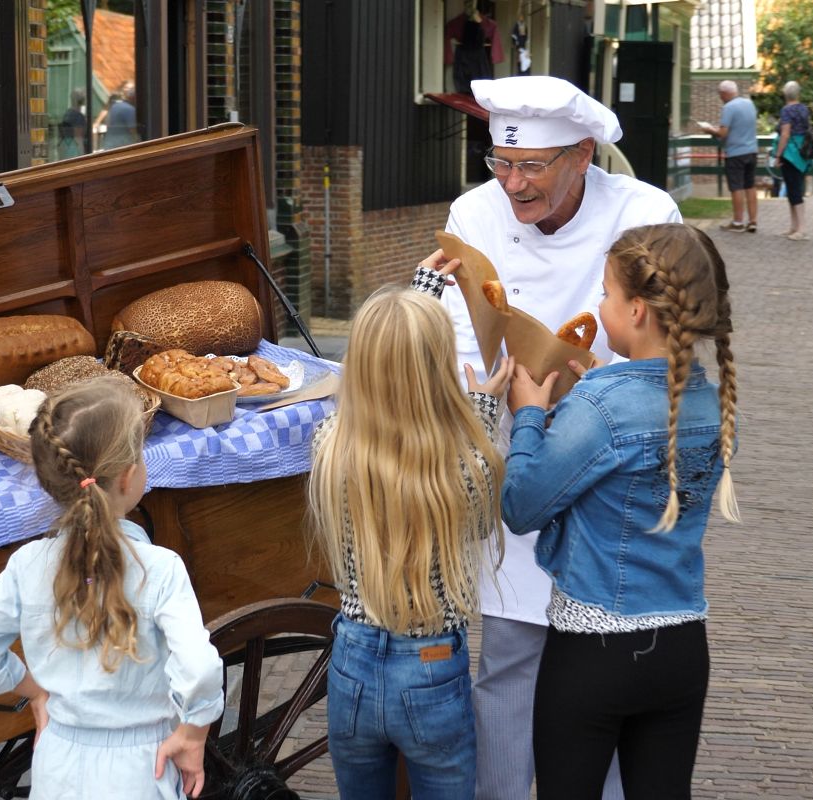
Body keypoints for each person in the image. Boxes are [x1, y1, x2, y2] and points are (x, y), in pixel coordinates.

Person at [429, 74, 681, 800]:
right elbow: (452, 329)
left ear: (581, 156)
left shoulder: (644, 211)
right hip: (511, 446)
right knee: (508, 653)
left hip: (608, 461)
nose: (511, 183)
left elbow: (669, 339)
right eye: (499, 163)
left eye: (531, 165)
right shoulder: (473, 212)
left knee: (600, 660)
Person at [501, 222, 741, 800]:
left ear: (637, 310)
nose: (599, 305)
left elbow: (521, 505)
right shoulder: (709, 400)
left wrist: (531, 414)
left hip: (595, 652)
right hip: (683, 648)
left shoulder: (600, 404)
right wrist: (588, 402)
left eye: (605, 293)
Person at [0, 377, 224, 799]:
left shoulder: (27, 565)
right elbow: (200, 669)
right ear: (130, 477)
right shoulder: (161, 569)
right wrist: (193, 734)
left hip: (56, 765)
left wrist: (34, 690)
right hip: (139, 770)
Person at [308, 280, 510, 800]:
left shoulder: (330, 444)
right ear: (439, 371)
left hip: (350, 664)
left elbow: (388, 361)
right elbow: (483, 520)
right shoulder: (469, 462)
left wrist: (419, 287)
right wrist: (488, 408)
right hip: (431, 665)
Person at [697, 80, 759, 232]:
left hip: (735, 153)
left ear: (725, 93)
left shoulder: (729, 107)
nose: (720, 98)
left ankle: (738, 222)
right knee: (750, 186)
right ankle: (753, 221)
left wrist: (709, 130)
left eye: (720, 94)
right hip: (751, 150)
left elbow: (723, 133)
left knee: (736, 187)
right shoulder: (749, 104)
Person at [768, 81, 811, 240]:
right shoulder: (804, 109)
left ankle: (801, 228)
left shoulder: (786, 110)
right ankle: (794, 227)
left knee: (794, 191)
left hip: (790, 154)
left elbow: (785, 134)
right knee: (795, 189)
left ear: (785, 94)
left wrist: (778, 155)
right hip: (802, 153)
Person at [96, 81, 140, 150]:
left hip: (110, 145)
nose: (128, 90)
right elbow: (133, 132)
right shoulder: (128, 109)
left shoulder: (116, 106)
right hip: (120, 147)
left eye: (131, 88)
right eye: (127, 87)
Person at [58, 88, 88, 161]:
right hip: (74, 152)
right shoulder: (78, 116)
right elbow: (78, 138)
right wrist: (83, 156)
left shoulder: (67, 114)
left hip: (65, 149)